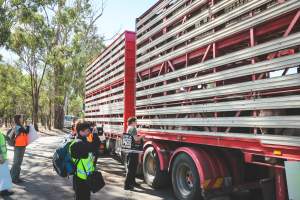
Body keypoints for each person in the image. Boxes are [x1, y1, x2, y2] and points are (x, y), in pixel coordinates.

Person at [70, 121, 100, 200]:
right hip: (80, 180)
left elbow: (95, 151)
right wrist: (95, 135)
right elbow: (94, 146)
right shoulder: (78, 144)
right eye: (87, 130)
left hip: (85, 178)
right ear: (81, 132)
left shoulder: (83, 141)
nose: (89, 132)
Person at [124, 117, 143, 190]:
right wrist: (142, 136)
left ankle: (132, 182)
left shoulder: (128, 128)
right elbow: (136, 139)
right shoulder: (133, 128)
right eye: (135, 121)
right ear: (132, 122)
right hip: (133, 151)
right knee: (131, 169)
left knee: (132, 168)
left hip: (130, 150)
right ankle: (127, 185)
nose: (136, 123)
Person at [10, 114, 29, 184]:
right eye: (21, 118)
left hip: (23, 146)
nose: (22, 118)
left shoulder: (21, 126)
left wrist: (27, 126)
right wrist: (27, 126)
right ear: (18, 119)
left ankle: (16, 176)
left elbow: (26, 132)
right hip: (18, 147)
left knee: (19, 163)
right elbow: (25, 131)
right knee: (16, 162)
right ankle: (13, 178)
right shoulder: (17, 127)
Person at [0, 119, 14, 196]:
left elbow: (8, 138)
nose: (1, 123)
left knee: (2, 174)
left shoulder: (1, 133)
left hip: (3, 157)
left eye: (1, 122)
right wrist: (0, 156)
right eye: (0, 122)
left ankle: (3, 190)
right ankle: (3, 191)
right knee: (3, 174)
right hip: (1, 157)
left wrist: (13, 129)